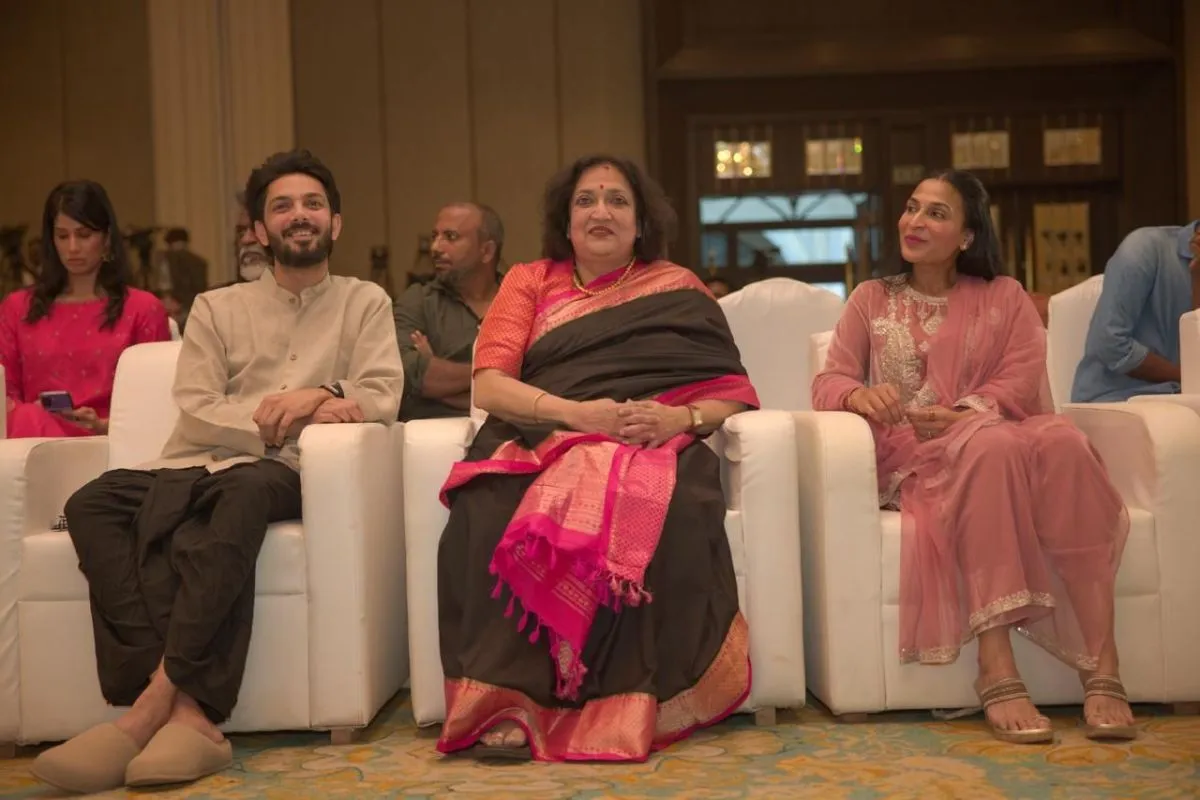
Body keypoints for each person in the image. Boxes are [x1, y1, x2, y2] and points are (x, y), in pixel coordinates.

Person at [30, 150, 404, 793]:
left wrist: (315, 391)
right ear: (259, 231)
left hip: (278, 472)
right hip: (188, 459)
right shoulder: (216, 307)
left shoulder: (364, 302)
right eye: (282, 207)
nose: (300, 216)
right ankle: (187, 712)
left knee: (236, 497)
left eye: (313, 204)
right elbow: (197, 405)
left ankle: (143, 715)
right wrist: (294, 412)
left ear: (336, 224)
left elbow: (381, 394)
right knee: (93, 504)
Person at [436, 154, 759, 763]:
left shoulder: (678, 288)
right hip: (546, 429)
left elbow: (732, 396)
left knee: (675, 507)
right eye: (586, 200)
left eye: (617, 200)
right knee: (488, 505)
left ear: (641, 223)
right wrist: (578, 415)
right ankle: (509, 702)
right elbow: (489, 386)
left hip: (651, 437)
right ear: (566, 218)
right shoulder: (530, 281)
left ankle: (629, 703)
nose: (600, 211)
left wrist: (676, 420)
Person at [812, 169, 1135, 745]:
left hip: (994, 431)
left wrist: (968, 410)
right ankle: (995, 660)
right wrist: (859, 394)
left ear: (966, 236)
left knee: (1062, 441)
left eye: (936, 213)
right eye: (912, 208)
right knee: (993, 444)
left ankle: (1102, 661)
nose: (915, 221)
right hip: (918, 458)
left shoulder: (1004, 297)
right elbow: (830, 378)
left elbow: (1021, 376)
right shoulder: (871, 299)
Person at [1, 180, 170, 438]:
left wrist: (102, 424)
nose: (72, 248)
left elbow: (154, 406)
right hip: (30, 443)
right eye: (62, 236)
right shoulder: (17, 308)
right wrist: (33, 414)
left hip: (110, 444)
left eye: (83, 235)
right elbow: (6, 395)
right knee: (26, 417)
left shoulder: (142, 309)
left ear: (107, 238)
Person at [392, 202, 503, 419]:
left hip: (508, 437)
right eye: (435, 236)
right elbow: (411, 375)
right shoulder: (417, 301)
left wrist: (442, 378)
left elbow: (539, 380)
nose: (435, 247)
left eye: (451, 237)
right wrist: (499, 380)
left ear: (487, 251)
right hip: (434, 441)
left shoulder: (521, 301)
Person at [1072, 222, 1198, 402]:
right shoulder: (1143, 248)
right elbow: (1111, 343)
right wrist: (1188, 378)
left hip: (1182, 403)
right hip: (1115, 400)